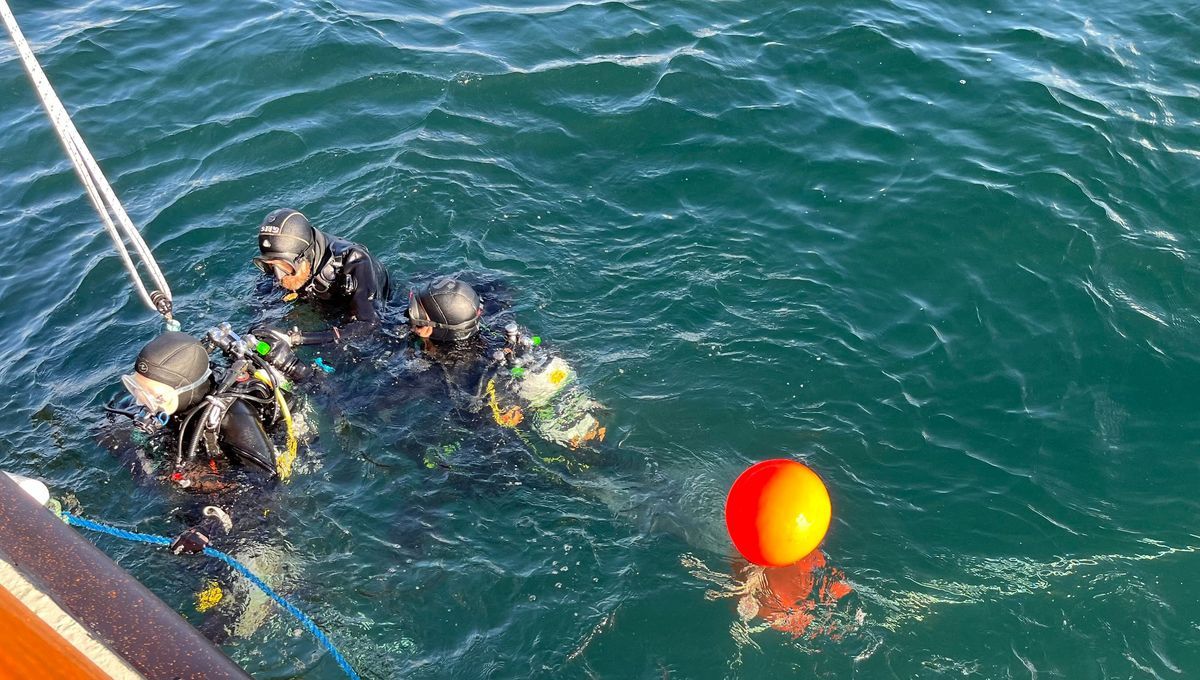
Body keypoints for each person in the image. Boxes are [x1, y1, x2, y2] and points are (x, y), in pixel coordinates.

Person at [406, 276, 607, 451]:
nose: (410, 319)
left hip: (503, 412)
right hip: (532, 385)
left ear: (435, 329)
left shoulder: (448, 369)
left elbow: (384, 401)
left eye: (419, 319)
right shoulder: (496, 316)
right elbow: (500, 285)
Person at [111, 327, 308, 493]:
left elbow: (268, 483)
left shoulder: (234, 420)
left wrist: (214, 516)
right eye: (136, 388)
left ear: (186, 391)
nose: (139, 401)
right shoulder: (164, 401)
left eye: (155, 396)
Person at [252, 208, 392, 345]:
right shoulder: (286, 265)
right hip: (319, 306)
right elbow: (262, 309)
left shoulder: (355, 262)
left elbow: (370, 324)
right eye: (270, 266)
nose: (278, 277)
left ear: (305, 255)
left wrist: (297, 339)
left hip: (379, 317)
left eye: (285, 267)